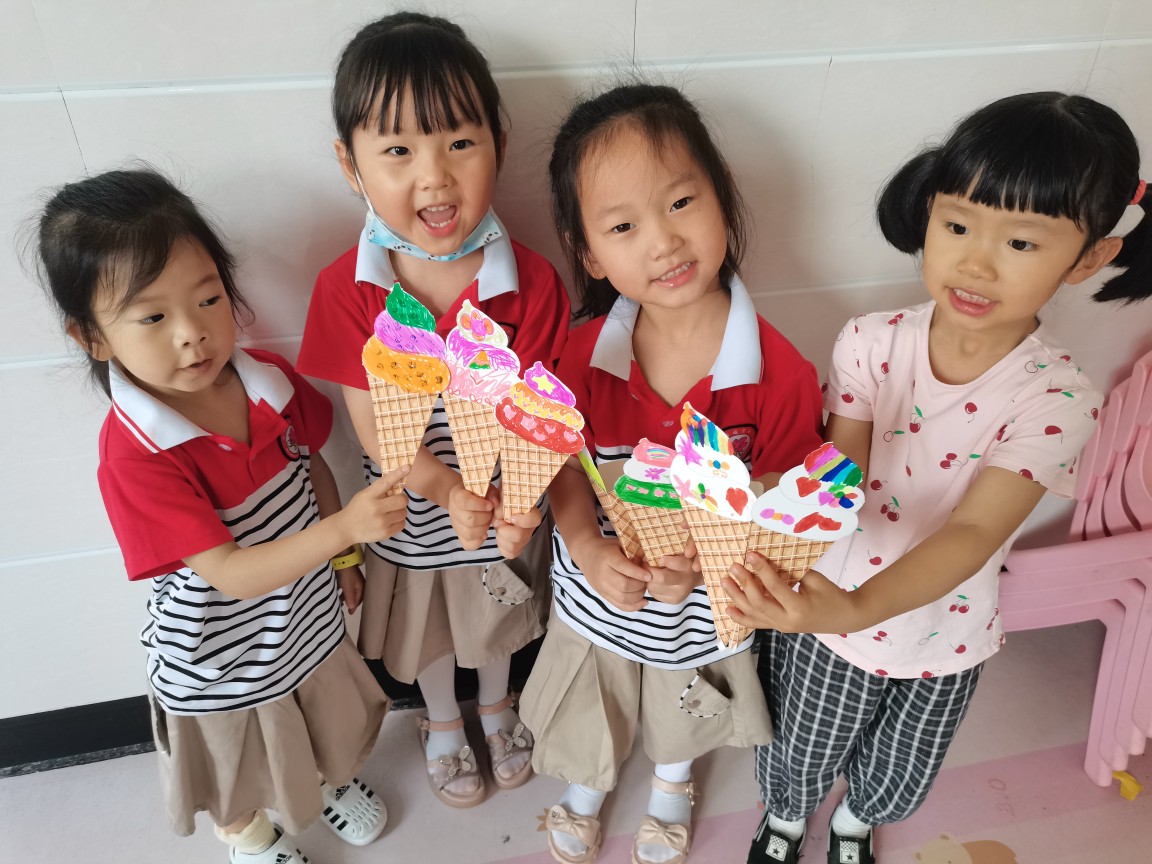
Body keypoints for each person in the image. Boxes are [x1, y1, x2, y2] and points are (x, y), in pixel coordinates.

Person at [728, 92, 1152, 864]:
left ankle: (856, 824)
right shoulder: (869, 343)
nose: (976, 263)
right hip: (831, 609)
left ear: (1088, 258)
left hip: (945, 631)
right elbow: (842, 470)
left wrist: (859, 609)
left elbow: (975, 531)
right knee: (801, 745)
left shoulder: (1059, 398)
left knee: (901, 768)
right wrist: (771, 500)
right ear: (928, 215)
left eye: (1021, 242)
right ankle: (785, 820)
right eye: (957, 226)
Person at [36, 168, 410, 863]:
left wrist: (344, 556)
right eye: (152, 317)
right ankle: (252, 837)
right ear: (93, 336)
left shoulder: (268, 380)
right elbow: (231, 574)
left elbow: (312, 466)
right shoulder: (135, 453)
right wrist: (345, 531)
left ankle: (327, 781)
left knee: (320, 715)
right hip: (219, 653)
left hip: (304, 616)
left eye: (208, 298)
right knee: (238, 761)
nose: (193, 334)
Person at [519, 83, 824, 864]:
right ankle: (587, 781)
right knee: (598, 691)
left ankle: (672, 784)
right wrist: (585, 546)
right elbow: (563, 469)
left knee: (684, 699)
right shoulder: (579, 357)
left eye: (681, 202)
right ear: (590, 254)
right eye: (623, 226)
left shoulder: (781, 374)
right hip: (599, 589)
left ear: (722, 200)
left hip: (702, 608)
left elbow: (787, 509)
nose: (662, 241)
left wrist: (711, 560)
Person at [296, 12, 570, 808]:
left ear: (499, 145)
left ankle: (498, 705)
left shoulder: (532, 284)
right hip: (414, 511)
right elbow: (375, 430)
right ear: (350, 165)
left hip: (503, 504)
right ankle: (443, 719)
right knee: (433, 633)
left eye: (459, 142)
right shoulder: (347, 290)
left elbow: (538, 413)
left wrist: (514, 495)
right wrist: (446, 488)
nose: (435, 177)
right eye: (398, 151)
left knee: (493, 616)